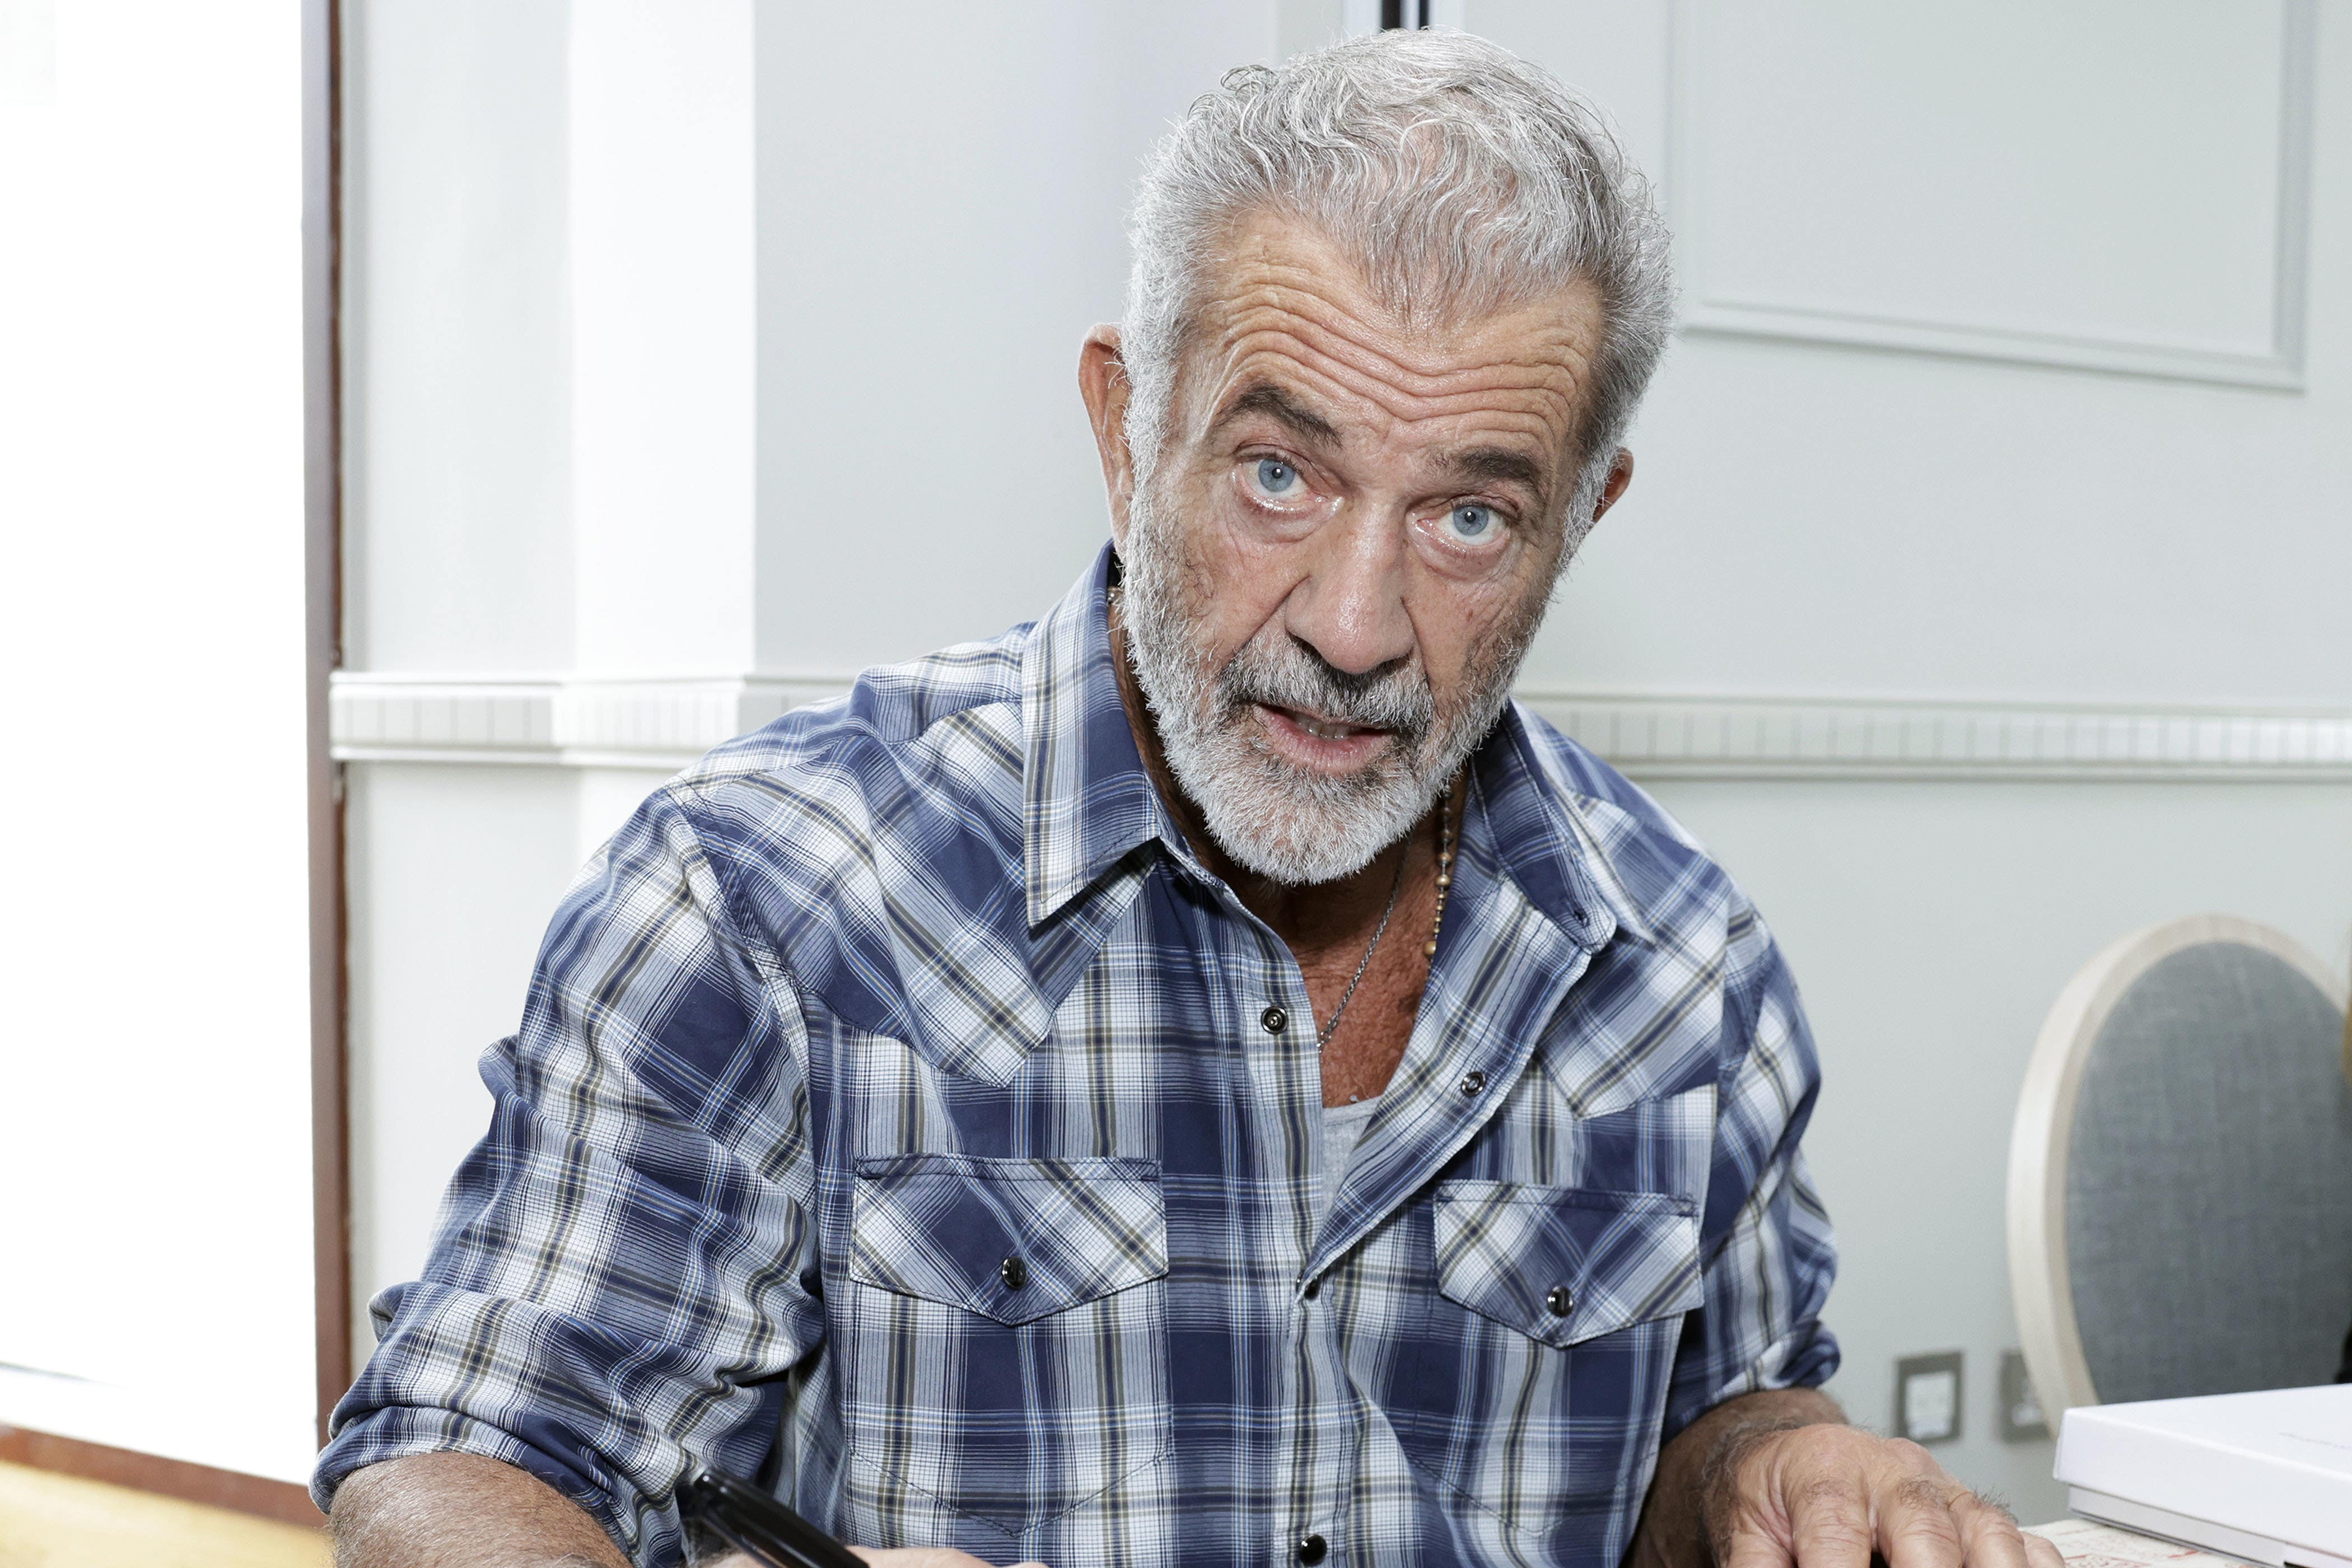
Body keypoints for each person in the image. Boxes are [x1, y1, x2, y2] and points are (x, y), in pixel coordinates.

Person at [318, 30, 2063, 1568]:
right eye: (1279, 472)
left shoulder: (1685, 962)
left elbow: (1714, 1430)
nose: (1359, 626)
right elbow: (464, 1457)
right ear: (1124, 425)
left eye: (1472, 515)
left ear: (1583, 521)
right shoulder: (763, 898)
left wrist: (1782, 1467)